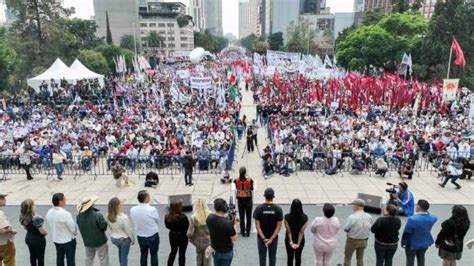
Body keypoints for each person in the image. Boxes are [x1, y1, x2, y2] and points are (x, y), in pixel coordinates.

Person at [401, 199, 438, 266]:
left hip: (412, 243)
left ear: (419, 207)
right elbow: (432, 216)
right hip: (425, 242)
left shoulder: (412, 219)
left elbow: (406, 233)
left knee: (410, 260)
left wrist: (403, 242)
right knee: (421, 258)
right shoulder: (433, 218)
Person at [253, 188, 283, 266]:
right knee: (272, 257)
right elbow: (278, 227)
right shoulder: (278, 209)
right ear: (273, 197)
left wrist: (264, 238)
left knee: (262, 257)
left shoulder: (259, 208)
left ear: (264, 196)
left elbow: (257, 226)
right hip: (273, 239)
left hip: (261, 238)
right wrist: (271, 239)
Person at [46, 193, 77, 266]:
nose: (66, 201)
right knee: (70, 260)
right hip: (68, 241)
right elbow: (73, 228)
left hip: (56, 239)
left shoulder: (50, 212)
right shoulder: (65, 214)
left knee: (59, 258)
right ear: (60, 201)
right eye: (64, 199)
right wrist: (75, 232)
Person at [76, 196, 109, 266]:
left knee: (89, 258)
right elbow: (103, 227)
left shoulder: (79, 216)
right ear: (91, 205)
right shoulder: (97, 215)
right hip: (100, 241)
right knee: (103, 258)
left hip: (87, 242)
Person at [130, 190, 160, 266]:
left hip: (141, 236)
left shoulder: (133, 209)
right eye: (149, 196)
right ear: (146, 198)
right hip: (152, 235)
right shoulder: (152, 209)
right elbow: (157, 221)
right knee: (154, 254)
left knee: (143, 254)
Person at [206, 198, 237, 266]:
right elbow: (234, 238)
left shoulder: (209, 218)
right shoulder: (228, 223)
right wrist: (234, 225)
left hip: (215, 250)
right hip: (226, 251)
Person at [343, 198, 373, 266]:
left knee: (348, 258)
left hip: (352, 240)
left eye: (353, 205)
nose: (352, 207)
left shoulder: (352, 217)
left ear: (357, 206)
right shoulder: (369, 216)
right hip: (364, 240)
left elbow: (346, 228)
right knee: (360, 258)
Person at [106, 197, 135, 266]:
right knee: (124, 257)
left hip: (114, 238)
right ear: (118, 206)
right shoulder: (124, 217)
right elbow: (128, 230)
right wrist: (132, 239)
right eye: (121, 203)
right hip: (124, 239)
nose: (122, 203)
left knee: (121, 252)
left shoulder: (108, 215)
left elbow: (110, 227)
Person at [19, 199, 48, 266]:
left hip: (28, 238)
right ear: (32, 207)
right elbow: (42, 231)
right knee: (40, 257)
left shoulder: (22, 216)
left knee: (32, 256)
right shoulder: (36, 218)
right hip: (38, 240)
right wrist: (46, 232)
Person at [187, 199, 212, 266]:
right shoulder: (210, 215)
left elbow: (189, 233)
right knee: (207, 259)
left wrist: (193, 240)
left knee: (199, 258)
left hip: (199, 242)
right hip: (209, 242)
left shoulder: (194, 217)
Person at [284, 199, 308, 266]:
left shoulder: (287, 217)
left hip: (289, 240)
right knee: (298, 257)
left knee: (290, 258)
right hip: (300, 240)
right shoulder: (305, 218)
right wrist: (298, 243)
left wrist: (291, 242)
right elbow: (301, 232)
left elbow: (289, 232)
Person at [165, 201, 190, 266]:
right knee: (182, 253)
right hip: (183, 236)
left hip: (173, 236)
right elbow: (187, 226)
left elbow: (167, 226)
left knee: (173, 251)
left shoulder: (167, 216)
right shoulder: (183, 217)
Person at [232, 167, 254, 237]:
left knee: (242, 217)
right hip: (248, 200)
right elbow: (252, 189)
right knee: (249, 217)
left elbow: (235, 188)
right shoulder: (250, 180)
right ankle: (248, 232)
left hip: (240, 201)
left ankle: (242, 232)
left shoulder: (236, 180)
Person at [0, 192, 16, 266]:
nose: (5, 199)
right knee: (9, 262)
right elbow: (2, 230)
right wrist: (12, 230)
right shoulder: (0, 214)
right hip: (5, 243)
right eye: (2, 198)